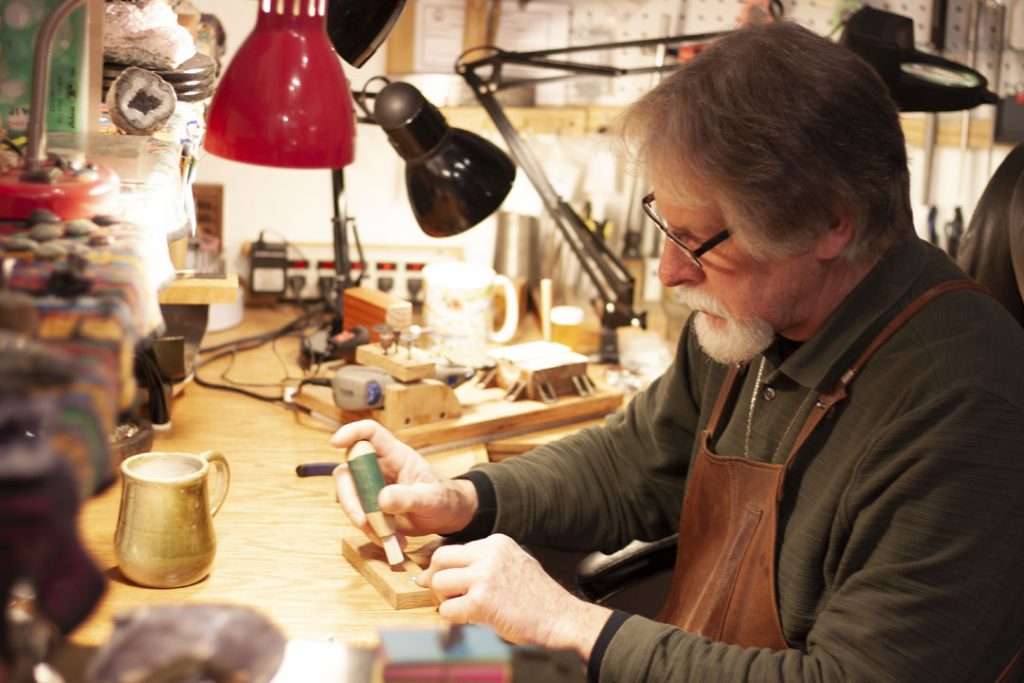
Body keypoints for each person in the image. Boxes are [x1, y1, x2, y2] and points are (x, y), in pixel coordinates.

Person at [332, 20, 1024, 682]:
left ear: (829, 224)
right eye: (665, 219)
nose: (667, 271)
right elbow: (634, 460)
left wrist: (566, 623)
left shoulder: (963, 404)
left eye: (697, 240)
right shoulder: (755, 320)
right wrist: (461, 498)